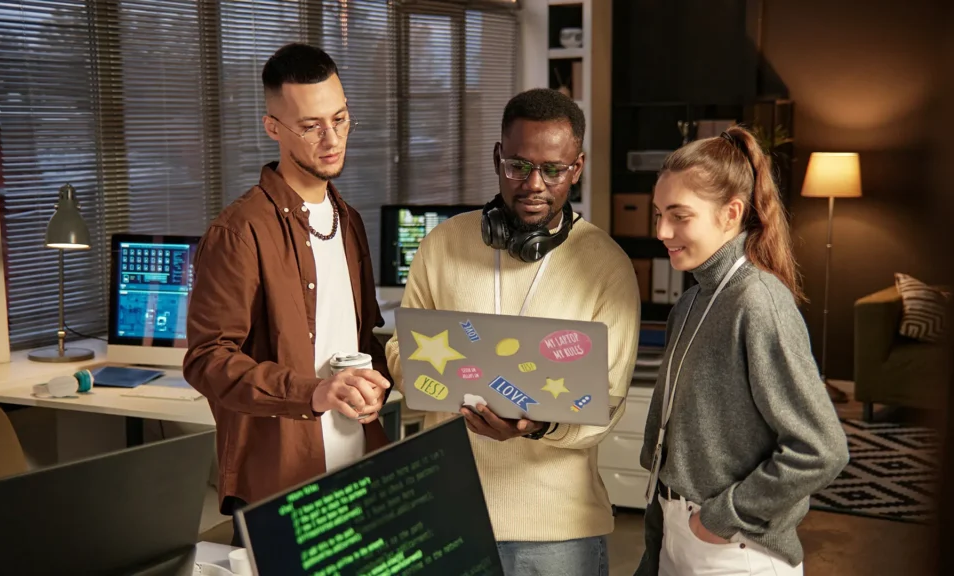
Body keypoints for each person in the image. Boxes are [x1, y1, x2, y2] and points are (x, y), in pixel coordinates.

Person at [385, 88, 641, 575]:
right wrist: (453, 385)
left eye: (553, 169)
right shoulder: (442, 244)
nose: (534, 184)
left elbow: (608, 402)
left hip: (559, 532)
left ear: (578, 167)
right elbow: (401, 351)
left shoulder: (607, 265)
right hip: (453, 514)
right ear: (498, 157)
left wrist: (537, 426)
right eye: (518, 166)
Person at [183, 43, 392, 546]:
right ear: (273, 127)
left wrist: (431, 366)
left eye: (340, 120)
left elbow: (363, 337)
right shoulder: (238, 232)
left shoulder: (350, 220)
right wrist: (313, 392)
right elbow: (207, 360)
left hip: (359, 465)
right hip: (281, 481)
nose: (331, 138)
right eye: (310, 125)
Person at [634, 126, 850, 576]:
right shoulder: (692, 301)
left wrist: (719, 519)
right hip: (680, 537)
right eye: (658, 214)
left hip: (733, 550)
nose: (662, 231)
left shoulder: (758, 302)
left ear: (731, 213)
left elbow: (822, 449)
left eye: (679, 215)